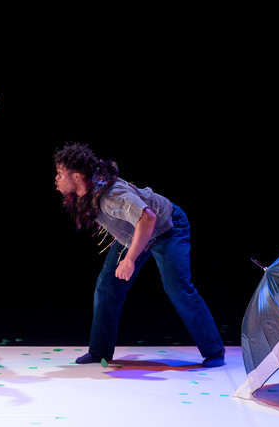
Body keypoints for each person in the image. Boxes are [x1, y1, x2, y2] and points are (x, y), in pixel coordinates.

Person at [53, 143, 225, 367]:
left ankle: (214, 351)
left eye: (60, 173)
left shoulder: (110, 196)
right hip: (135, 233)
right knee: (107, 287)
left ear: (77, 176)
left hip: (167, 228)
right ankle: (99, 351)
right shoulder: (88, 194)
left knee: (178, 288)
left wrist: (129, 259)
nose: (56, 178)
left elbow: (148, 218)